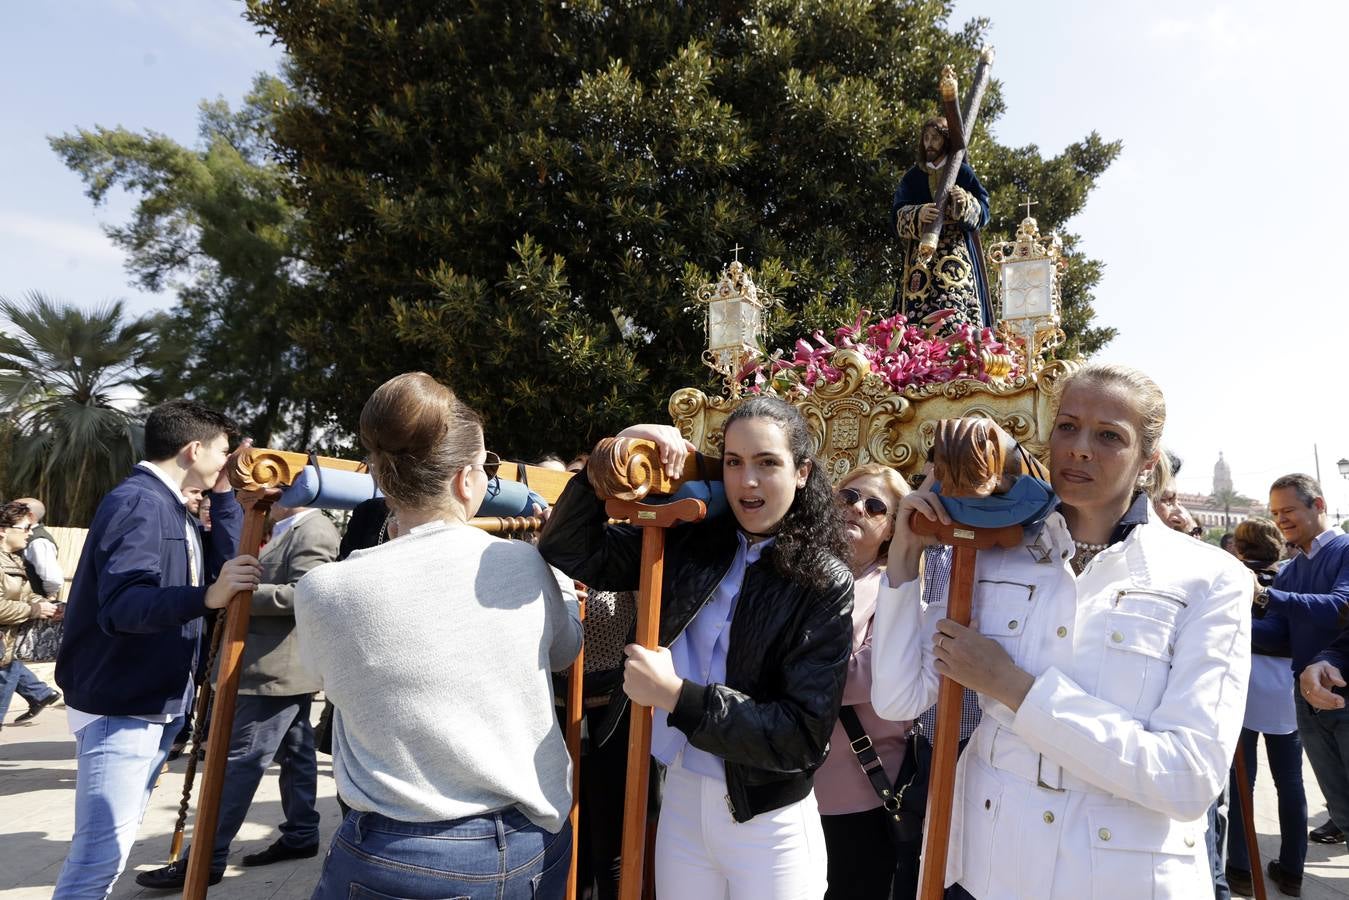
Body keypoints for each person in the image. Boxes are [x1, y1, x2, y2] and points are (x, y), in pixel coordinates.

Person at [871, 362, 1251, 898]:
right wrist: (904, 560)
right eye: (1068, 427)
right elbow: (897, 698)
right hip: (988, 865)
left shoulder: (1209, 578)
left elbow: (1187, 777)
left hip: (1120, 876)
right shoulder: (994, 553)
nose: (1079, 448)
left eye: (1109, 436)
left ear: (1148, 461)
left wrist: (1015, 689)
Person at [540, 397, 855, 900]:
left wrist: (677, 696)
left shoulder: (824, 582)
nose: (747, 481)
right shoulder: (691, 545)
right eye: (733, 462)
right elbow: (570, 549)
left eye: (767, 462)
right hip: (683, 801)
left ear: (802, 472)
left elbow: (801, 736)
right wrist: (615, 451)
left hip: (769, 823)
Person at [296, 372, 581, 900]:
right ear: (466, 479)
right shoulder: (524, 564)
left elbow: (325, 679)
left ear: (384, 478)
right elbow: (567, 651)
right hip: (531, 844)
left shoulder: (326, 589)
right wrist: (559, 581)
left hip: (398, 851)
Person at [52, 400, 257, 898]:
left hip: (147, 706)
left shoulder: (169, 504)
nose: (227, 461)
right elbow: (124, 605)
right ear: (194, 449)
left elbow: (225, 568)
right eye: (223, 452)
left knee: (108, 855)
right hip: (123, 707)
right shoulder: (140, 503)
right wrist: (206, 598)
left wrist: (227, 494)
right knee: (99, 860)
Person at [135, 504, 339, 889]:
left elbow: (306, 595)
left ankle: (207, 860)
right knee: (296, 757)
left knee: (240, 763)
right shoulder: (289, 528)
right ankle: (301, 834)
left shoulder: (314, 529)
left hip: (274, 670)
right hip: (274, 669)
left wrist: (239, 593)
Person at [812, 464, 913, 900]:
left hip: (859, 792)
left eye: (874, 507)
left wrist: (788, 667)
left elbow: (870, 677)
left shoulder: (897, 588)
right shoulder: (796, 572)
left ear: (890, 530)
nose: (856, 509)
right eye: (848, 497)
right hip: (785, 788)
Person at [1260, 473, 1349, 874]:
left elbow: (1339, 606)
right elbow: (1278, 634)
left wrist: (1263, 594)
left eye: (1289, 510)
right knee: (1341, 807)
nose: (1281, 520)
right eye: (1275, 513)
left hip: (1343, 692)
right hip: (1306, 701)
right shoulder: (1291, 571)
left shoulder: (1346, 549)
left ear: (1319, 505)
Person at [1225, 517, 1306, 897]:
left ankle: (1240, 867)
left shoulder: (1232, 576)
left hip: (1242, 687)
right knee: (1290, 782)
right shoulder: (1292, 578)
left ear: (1241, 548)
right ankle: (1292, 869)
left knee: (1244, 783)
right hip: (1285, 688)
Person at [890, 115, 992, 328]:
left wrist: (964, 203)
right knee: (915, 312)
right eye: (926, 138)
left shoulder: (963, 173)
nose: (929, 143)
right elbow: (897, 213)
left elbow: (984, 211)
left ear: (945, 140)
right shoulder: (913, 177)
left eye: (935, 138)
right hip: (921, 257)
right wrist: (918, 214)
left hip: (955, 255)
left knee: (954, 308)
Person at [0, 501, 59, 731]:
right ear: (4, 530)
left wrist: (44, 604)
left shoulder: (13, 559)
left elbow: (22, 596)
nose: (30, 533)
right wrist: (34, 610)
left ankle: (40, 694)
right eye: (25, 528)